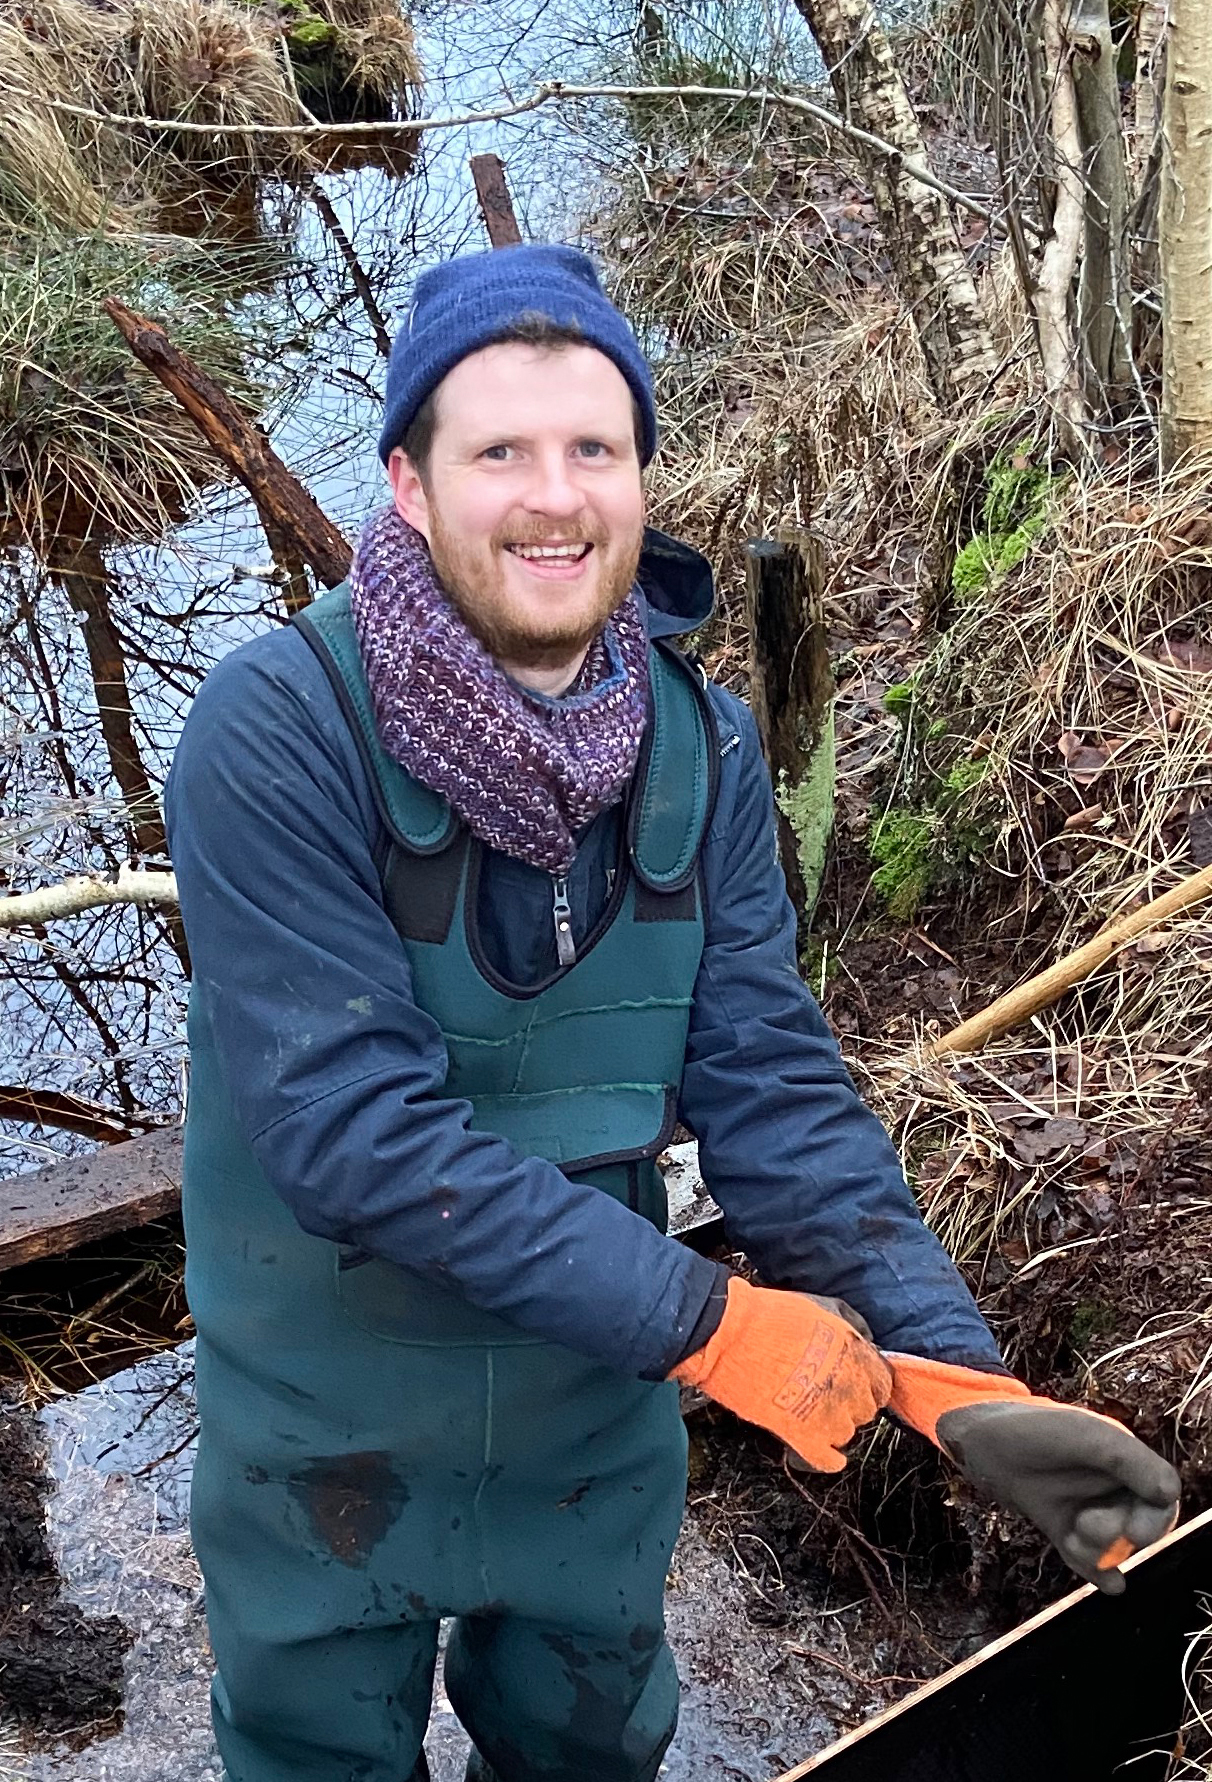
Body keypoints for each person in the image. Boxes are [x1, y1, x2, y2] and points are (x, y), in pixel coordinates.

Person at [164, 243, 1180, 1782]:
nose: (555, 495)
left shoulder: (699, 748)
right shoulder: (275, 731)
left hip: (586, 1425)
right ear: (409, 485)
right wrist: (713, 1324)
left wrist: (956, 1369)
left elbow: (772, 1087)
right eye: (499, 448)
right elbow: (354, 1134)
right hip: (328, 1437)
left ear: (642, 475)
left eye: (595, 447)